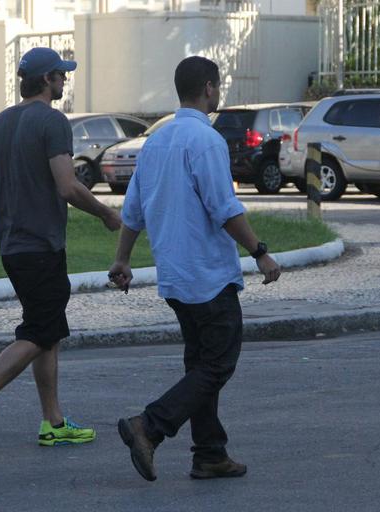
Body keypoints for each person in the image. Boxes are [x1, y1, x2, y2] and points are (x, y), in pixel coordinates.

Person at [109, 56, 281, 481]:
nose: (218, 93)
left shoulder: (156, 142)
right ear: (208, 88)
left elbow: (133, 211)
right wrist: (260, 250)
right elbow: (224, 209)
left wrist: (122, 259)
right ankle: (149, 426)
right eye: (217, 87)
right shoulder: (205, 141)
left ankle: (209, 453)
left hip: (175, 278)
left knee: (200, 367)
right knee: (218, 365)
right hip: (208, 275)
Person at [0, 47, 121, 457]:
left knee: (49, 329)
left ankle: (54, 422)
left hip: (12, 247)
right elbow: (67, 186)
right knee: (40, 331)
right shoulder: (52, 121)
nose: (65, 81)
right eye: (61, 75)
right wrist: (105, 214)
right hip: (42, 245)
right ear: (47, 80)